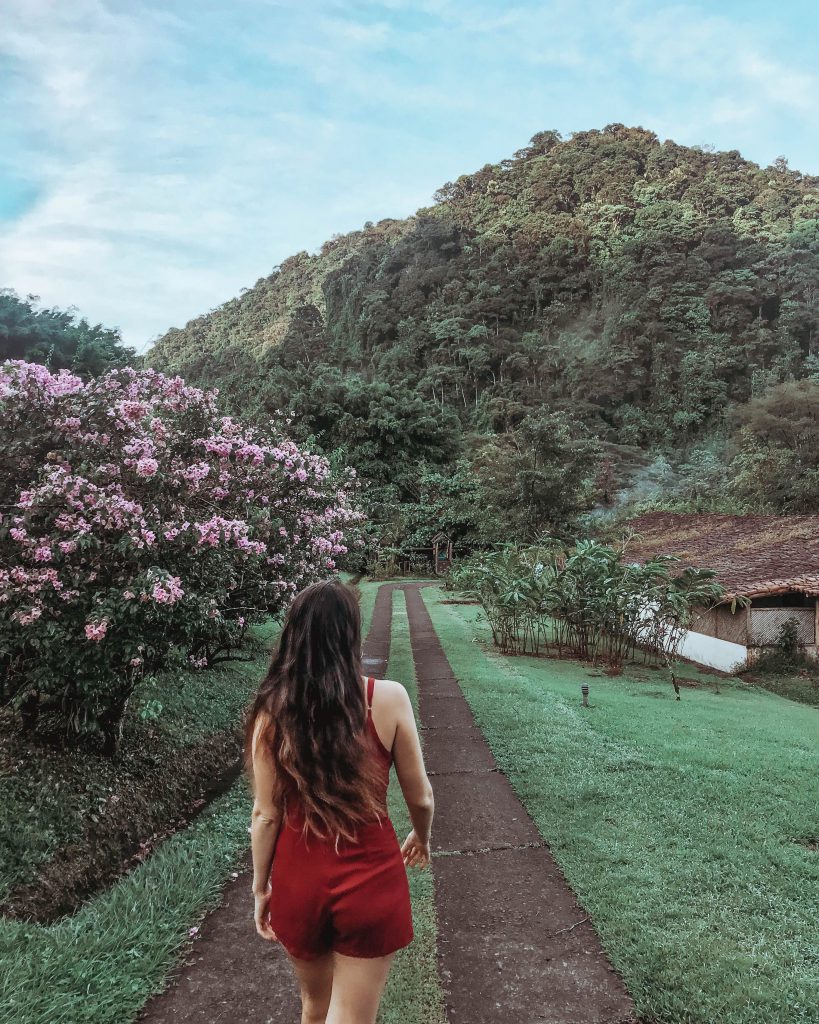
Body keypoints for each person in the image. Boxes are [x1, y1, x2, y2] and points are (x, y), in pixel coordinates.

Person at [244, 580, 435, 1024]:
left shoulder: (272, 713)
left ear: (293, 634)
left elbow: (266, 815)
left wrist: (260, 889)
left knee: (314, 1007)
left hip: (299, 881)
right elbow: (421, 797)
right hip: (370, 880)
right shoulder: (387, 698)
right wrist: (421, 837)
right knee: (350, 1016)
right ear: (351, 634)